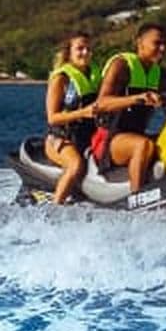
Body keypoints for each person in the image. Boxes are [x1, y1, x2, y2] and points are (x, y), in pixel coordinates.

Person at [93, 22, 166, 192]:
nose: (162, 48)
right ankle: (137, 199)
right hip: (109, 139)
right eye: (157, 43)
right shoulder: (122, 65)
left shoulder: (161, 74)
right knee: (143, 145)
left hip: (136, 135)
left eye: (165, 44)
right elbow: (101, 104)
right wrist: (137, 99)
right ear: (139, 42)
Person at [44, 32, 102, 204]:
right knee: (75, 165)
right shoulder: (61, 79)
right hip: (61, 139)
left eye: (89, 49)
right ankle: (55, 209)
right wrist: (83, 113)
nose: (85, 52)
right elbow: (52, 118)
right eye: (80, 48)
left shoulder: (96, 76)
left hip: (88, 138)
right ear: (69, 52)